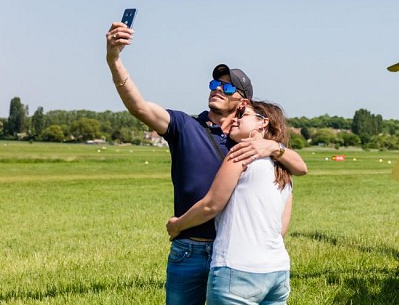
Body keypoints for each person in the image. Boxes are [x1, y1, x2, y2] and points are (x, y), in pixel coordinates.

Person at [105, 22, 308, 304]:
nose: (217, 88)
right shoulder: (184, 126)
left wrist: (273, 146)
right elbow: (138, 106)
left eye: (226, 86)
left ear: (243, 102)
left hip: (235, 255)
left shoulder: (251, 142)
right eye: (214, 83)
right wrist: (114, 59)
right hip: (191, 250)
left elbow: (298, 167)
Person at [166, 101, 294, 304]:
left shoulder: (239, 155)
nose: (235, 119)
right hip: (277, 272)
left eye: (243, 115)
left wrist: (177, 225)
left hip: (237, 271)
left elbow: (211, 205)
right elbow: (281, 229)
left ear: (262, 123)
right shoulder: (285, 170)